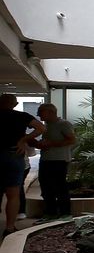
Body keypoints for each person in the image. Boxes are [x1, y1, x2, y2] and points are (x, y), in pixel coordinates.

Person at [1, 94, 45, 236]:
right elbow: (40, 128)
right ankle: (9, 227)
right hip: (13, 154)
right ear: (14, 104)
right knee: (13, 194)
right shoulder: (21, 116)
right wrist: (23, 139)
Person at [35, 103, 76, 220]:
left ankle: (65, 213)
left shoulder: (63, 124)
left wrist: (52, 144)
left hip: (59, 160)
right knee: (46, 187)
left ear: (50, 112)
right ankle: (50, 213)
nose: (38, 114)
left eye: (40, 111)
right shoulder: (46, 126)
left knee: (60, 187)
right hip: (45, 159)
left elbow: (72, 140)